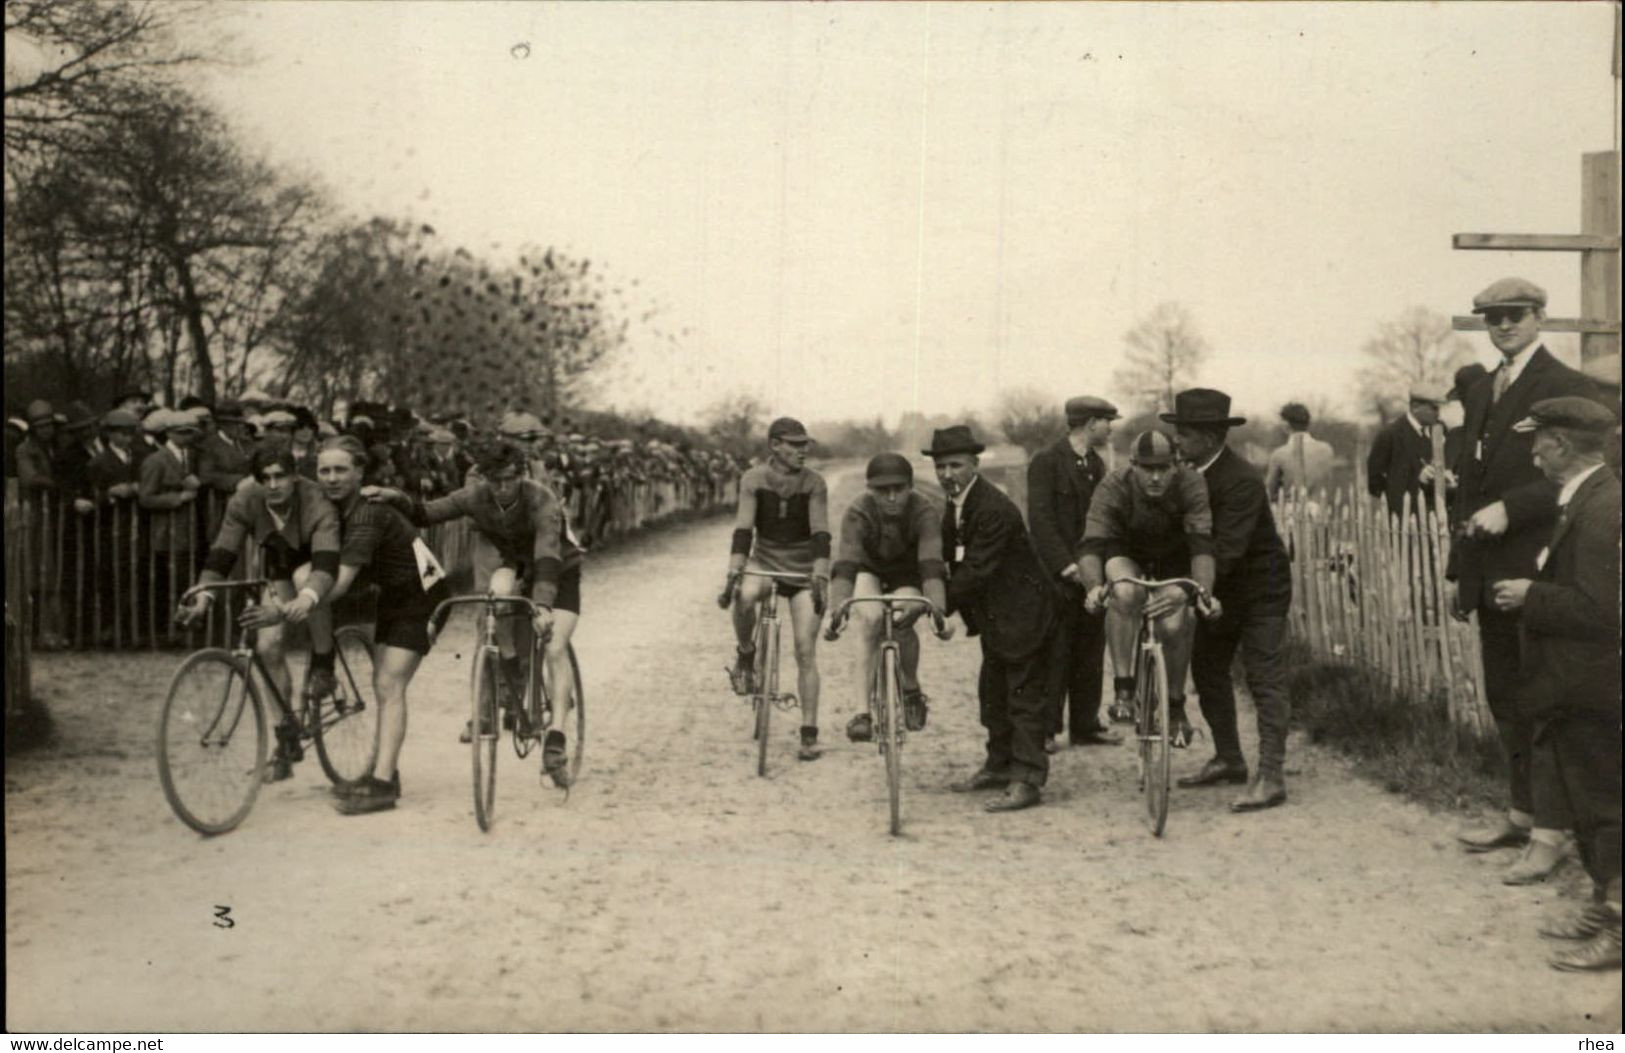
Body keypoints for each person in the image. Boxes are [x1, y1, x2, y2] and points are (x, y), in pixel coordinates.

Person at [1447, 278, 1596, 880]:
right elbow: (1470, 481)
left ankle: (1552, 835)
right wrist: (1462, 574)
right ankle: (1519, 811)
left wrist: (1517, 507)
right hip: (1488, 569)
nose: (1503, 325)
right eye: (1493, 318)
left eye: (1515, 315)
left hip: (1539, 565)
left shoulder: (1566, 386)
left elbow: (1588, 470)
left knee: (1542, 699)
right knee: (1504, 695)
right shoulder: (1484, 389)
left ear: (1539, 317)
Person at [366, 438, 582, 787]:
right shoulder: (476, 496)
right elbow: (427, 513)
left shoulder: (541, 499)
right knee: (494, 598)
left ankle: (556, 737)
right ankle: (507, 673)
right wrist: (397, 497)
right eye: (494, 480)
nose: (502, 487)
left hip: (558, 569)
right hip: (517, 564)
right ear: (484, 478)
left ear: (522, 474)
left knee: (553, 644)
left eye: (510, 478)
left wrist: (542, 605)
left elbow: (546, 557)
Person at [1492, 397, 1620, 971]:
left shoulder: (1600, 510)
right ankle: (1604, 905)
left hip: (1593, 686)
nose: (1533, 450)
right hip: (1582, 684)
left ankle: (1618, 926)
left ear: (1562, 445)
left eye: (1538, 439)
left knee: (1605, 805)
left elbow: (1601, 610)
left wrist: (1530, 596)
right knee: (1592, 804)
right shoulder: (1590, 499)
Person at [177, 440, 343, 781]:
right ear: (255, 480)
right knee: (267, 647)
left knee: (306, 580)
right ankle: (286, 741)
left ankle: (325, 662)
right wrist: (204, 596)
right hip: (279, 566)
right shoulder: (246, 500)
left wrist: (307, 596)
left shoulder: (316, 500)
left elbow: (326, 565)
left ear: (295, 476)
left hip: (318, 564)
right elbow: (223, 552)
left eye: (280, 476)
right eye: (264, 478)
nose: (273, 485)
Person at [1165, 388, 1294, 812]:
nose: (1176, 441)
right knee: (1207, 668)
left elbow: (1227, 549)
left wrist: (1186, 587)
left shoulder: (1240, 480)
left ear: (1209, 435)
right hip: (1220, 589)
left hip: (1260, 589)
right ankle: (1229, 758)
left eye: (1183, 433)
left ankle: (1271, 776)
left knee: (1264, 678)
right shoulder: (1185, 473)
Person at [316, 435, 451, 815]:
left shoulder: (368, 513)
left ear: (360, 473)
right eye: (324, 470)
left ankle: (382, 785)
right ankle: (385, 771)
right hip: (394, 594)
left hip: (426, 594)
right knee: (383, 684)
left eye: (341, 469)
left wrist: (290, 607)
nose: (332, 478)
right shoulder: (330, 507)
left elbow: (340, 585)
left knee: (389, 683)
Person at [927, 425, 1055, 813]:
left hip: (1024, 616)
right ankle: (999, 766)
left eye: (956, 465)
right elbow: (947, 557)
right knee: (994, 694)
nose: (947, 474)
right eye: (941, 467)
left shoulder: (994, 508)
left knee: (1023, 698)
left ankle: (1028, 780)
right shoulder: (956, 503)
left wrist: (933, 606)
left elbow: (975, 570)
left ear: (975, 464)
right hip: (998, 618)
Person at [1079, 429, 1218, 748]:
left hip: (1174, 558)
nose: (1155, 477)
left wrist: (1202, 591)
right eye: (1147, 468)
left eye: (1163, 468)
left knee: (1175, 623)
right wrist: (1093, 587)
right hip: (1127, 553)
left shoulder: (1191, 483)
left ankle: (1176, 706)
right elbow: (1091, 543)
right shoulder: (1113, 484)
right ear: (1133, 465)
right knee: (1125, 593)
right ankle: (1124, 690)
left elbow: (1201, 545)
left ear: (1176, 464)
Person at [823, 453, 954, 746]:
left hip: (908, 573)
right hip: (869, 569)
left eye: (899, 489)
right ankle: (861, 713)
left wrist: (937, 610)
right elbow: (846, 562)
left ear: (911, 486)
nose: (892, 497)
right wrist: (837, 611)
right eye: (883, 490)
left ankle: (910, 687)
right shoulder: (858, 510)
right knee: (869, 620)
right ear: (870, 489)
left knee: (903, 618)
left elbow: (932, 563)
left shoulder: (925, 510)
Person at [721, 417, 831, 762]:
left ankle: (809, 733)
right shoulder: (753, 479)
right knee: (746, 594)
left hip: (801, 569)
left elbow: (821, 533)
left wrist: (820, 574)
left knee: (804, 650)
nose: (803, 451)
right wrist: (735, 566)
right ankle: (746, 652)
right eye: (795, 445)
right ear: (775, 446)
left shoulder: (815, 483)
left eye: (805, 445)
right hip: (765, 560)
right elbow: (743, 528)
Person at [1026, 395, 1122, 752]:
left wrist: (1096, 568)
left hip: (1090, 575)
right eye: (1106, 421)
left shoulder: (1096, 464)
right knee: (1055, 651)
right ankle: (1048, 729)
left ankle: (1085, 724)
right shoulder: (1046, 462)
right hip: (1056, 577)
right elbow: (1041, 520)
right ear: (1089, 423)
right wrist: (1065, 566)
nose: (1110, 428)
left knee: (1090, 647)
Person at [138, 409, 205, 635]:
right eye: (182, 432)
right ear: (169, 433)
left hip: (189, 530)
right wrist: (178, 498)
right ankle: (166, 631)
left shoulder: (193, 457)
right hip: (166, 532)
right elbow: (146, 497)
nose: (187, 436)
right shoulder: (155, 460)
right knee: (167, 583)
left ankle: (184, 628)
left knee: (186, 581)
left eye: (190, 432)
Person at [1367, 388, 1448, 518]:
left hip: (1432, 516)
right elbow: (1375, 482)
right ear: (1415, 407)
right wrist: (1414, 482)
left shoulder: (1437, 431)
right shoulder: (1390, 434)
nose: (1438, 414)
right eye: (1433, 408)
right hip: (1402, 518)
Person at [1263, 402, 1335, 501]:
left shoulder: (1279, 454)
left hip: (1290, 512)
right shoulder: (1327, 450)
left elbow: (1269, 492)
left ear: (1286, 425)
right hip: (1322, 510)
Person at [197, 400, 253, 496]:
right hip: (220, 500)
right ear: (223, 425)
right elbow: (206, 476)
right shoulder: (208, 446)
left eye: (241, 423)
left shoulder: (247, 443)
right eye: (235, 424)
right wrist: (238, 481)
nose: (241, 427)